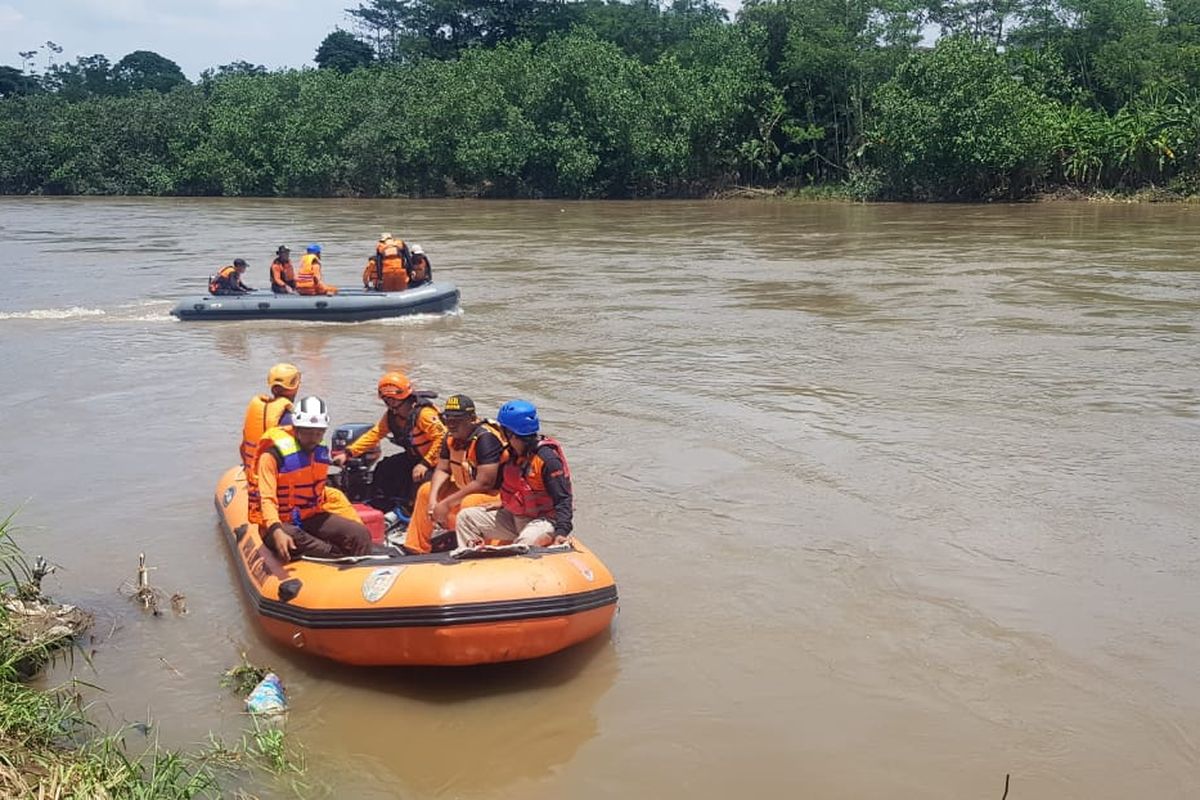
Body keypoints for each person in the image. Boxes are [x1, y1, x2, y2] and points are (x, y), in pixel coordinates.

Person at [248, 395, 371, 560]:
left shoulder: (319, 452)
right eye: (307, 432)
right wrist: (275, 529)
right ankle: (335, 555)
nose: (313, 438)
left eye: (318, 433)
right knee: (292, 535)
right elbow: (267, 499)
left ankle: (360, 570)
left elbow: (319, 490)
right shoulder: (272, 456)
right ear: (296, 428)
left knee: (359, 533)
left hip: (309, 516)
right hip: (279, 523)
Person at [455, 400, 573, 549]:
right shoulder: (512, 454)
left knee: (523, 543)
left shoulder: (547, 460)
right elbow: (517, 488)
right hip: (516, 516)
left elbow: (563, 499)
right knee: (466, 518)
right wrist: (503, 503)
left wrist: (561, 531)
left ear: (510, 433)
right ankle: (472, 559)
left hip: (545, 521)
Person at [332, 371, 447, 516]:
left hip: (438, 462)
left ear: (404, 396)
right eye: (386, 399)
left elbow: (442, 438)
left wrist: (425, 463)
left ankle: (412, 513)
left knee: (420, 478)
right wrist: (348, 453)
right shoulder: (392, 416)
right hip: (416, 457)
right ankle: (383, 506)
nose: (389, 402)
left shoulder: (424, 414)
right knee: (385, 467)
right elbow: (375, 434)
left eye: (392, 399)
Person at [402, 394, 506, 553]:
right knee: (425, 490)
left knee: (471, 501)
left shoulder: (486, 439)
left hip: (496, 496)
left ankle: (479, 550)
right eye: (447, 419)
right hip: (465, 489)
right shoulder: (450, 437)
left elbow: (485, 482)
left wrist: (446, 504)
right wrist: (433, 500)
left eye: (456, 420)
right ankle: (416, 549)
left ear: (471, 419)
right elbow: (443, 469)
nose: (451, 424)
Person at [240, 362, 301, 472]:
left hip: (252, 474)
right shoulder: (289, 419)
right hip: (272, 479)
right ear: (295, 386)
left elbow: (243, 448)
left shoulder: (256, 409)